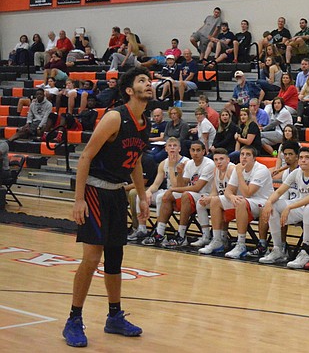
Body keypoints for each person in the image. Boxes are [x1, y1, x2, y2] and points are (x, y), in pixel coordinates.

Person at [62, 67, 152, 348]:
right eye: (142, 81)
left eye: (149, 81)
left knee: (115, 258)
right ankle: (73, 319)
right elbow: (86, 156)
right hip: (95, 190)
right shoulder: (115, 117)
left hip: (116, 194)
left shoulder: (144, 122)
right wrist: (78, 200)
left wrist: (142, 196)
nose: (148, 84)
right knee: (92, 256)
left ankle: (114, 316)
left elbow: (134, 161)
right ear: (129, 90)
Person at [259, 146, 309, 268]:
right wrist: (268, 202)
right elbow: (279, 192)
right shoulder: (296, 172)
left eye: (307, 158)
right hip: (305, 206)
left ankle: (305, 251)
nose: (303, 160)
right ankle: (278, 249)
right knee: (274, 206)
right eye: (301, 158)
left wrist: (290, 207)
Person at [198, 145, 273, 258]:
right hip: (245, 201)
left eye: (248, 155)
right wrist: (232, 197)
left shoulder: (261, 169)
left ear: (254, 158)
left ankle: (241, 244)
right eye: (242, 154)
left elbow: (248, 193)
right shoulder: (239, 168)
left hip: (262, 202)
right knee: (215, 200)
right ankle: (218, 240)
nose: (244, 157)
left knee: (241, 202)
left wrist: (239, 174)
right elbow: (228, 190)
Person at [131, 137, 188, 243]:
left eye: (174, 146)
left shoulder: (185, 162)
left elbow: (177, 186)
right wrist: (148, 192)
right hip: (167, 191)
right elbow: (156, 184)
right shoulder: (163, 163)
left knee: (160, 197)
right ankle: (142, 228)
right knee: (140, 195)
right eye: (169, 146)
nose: (172, 148)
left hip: (181, 193)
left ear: (179, 149)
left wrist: (171, 167)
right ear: (165, 149)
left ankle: (159, 230)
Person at [253, 140, 300, 260]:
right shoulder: (286, 173)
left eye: (290, 154)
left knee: (277, 209)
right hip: (292, 205)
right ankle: (272, 246)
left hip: (304, 207)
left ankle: (280, 247)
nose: (287, 157)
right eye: (285, 154)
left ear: (297, 156)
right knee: (270, 207)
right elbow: (282, 195)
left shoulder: (303, 171)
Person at [162, 141, 215, 247]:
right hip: (192, 194)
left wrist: (173, 189)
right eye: (193, 150)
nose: (195, 153)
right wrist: (180, 173)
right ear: (190, 151)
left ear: (204, 151)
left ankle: (181, 235)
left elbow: (197, 187)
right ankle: (159, 232)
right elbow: (181, 185)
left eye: (198, 150)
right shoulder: (189, 163)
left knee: (185, 194)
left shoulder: (209, 164)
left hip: (206, 194)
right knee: (167, 196)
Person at [190, 148, 235, 249]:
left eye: (221, 159)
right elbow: (214, 191)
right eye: (216, 160)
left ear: (228, 160)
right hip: (223, 199)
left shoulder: (232, 170)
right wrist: (208, 198)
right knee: (201, 203)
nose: (218, 162)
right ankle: (206, 236)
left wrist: (212, 199)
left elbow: (233, 192)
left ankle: (219, 239)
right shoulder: (216, 170)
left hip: (235, 200)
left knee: (216, 202)